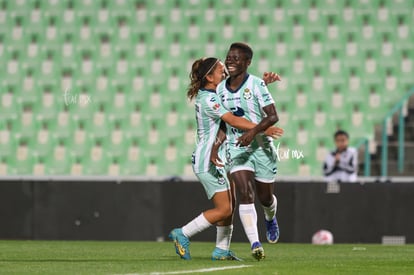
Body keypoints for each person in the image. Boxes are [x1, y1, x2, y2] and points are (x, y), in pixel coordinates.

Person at [168, 57, 283, 261]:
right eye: (221, 71)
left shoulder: (214, 94)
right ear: (209, 77)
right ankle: (183, 233)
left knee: (230, 206)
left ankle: (221, 250)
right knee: (224, 209)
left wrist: (262, 83)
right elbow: (233, 119)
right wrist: (264, 127)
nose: (225, 74)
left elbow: (239, 100)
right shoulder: (208, 99)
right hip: (208, 160)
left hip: (219, 157)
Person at [211, 42, 281, 261]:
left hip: (261, 147)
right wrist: (215, 147)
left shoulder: (257, 84)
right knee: (244, 191)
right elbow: (224, 123)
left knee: (265, 198)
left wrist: (252, 133)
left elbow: (272, 116)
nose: (230, 61)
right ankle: (255, 243)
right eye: (228, 57)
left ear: (247, 62)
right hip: (236, 146)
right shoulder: (220, 89)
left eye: (236, 58)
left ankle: (270, 217)